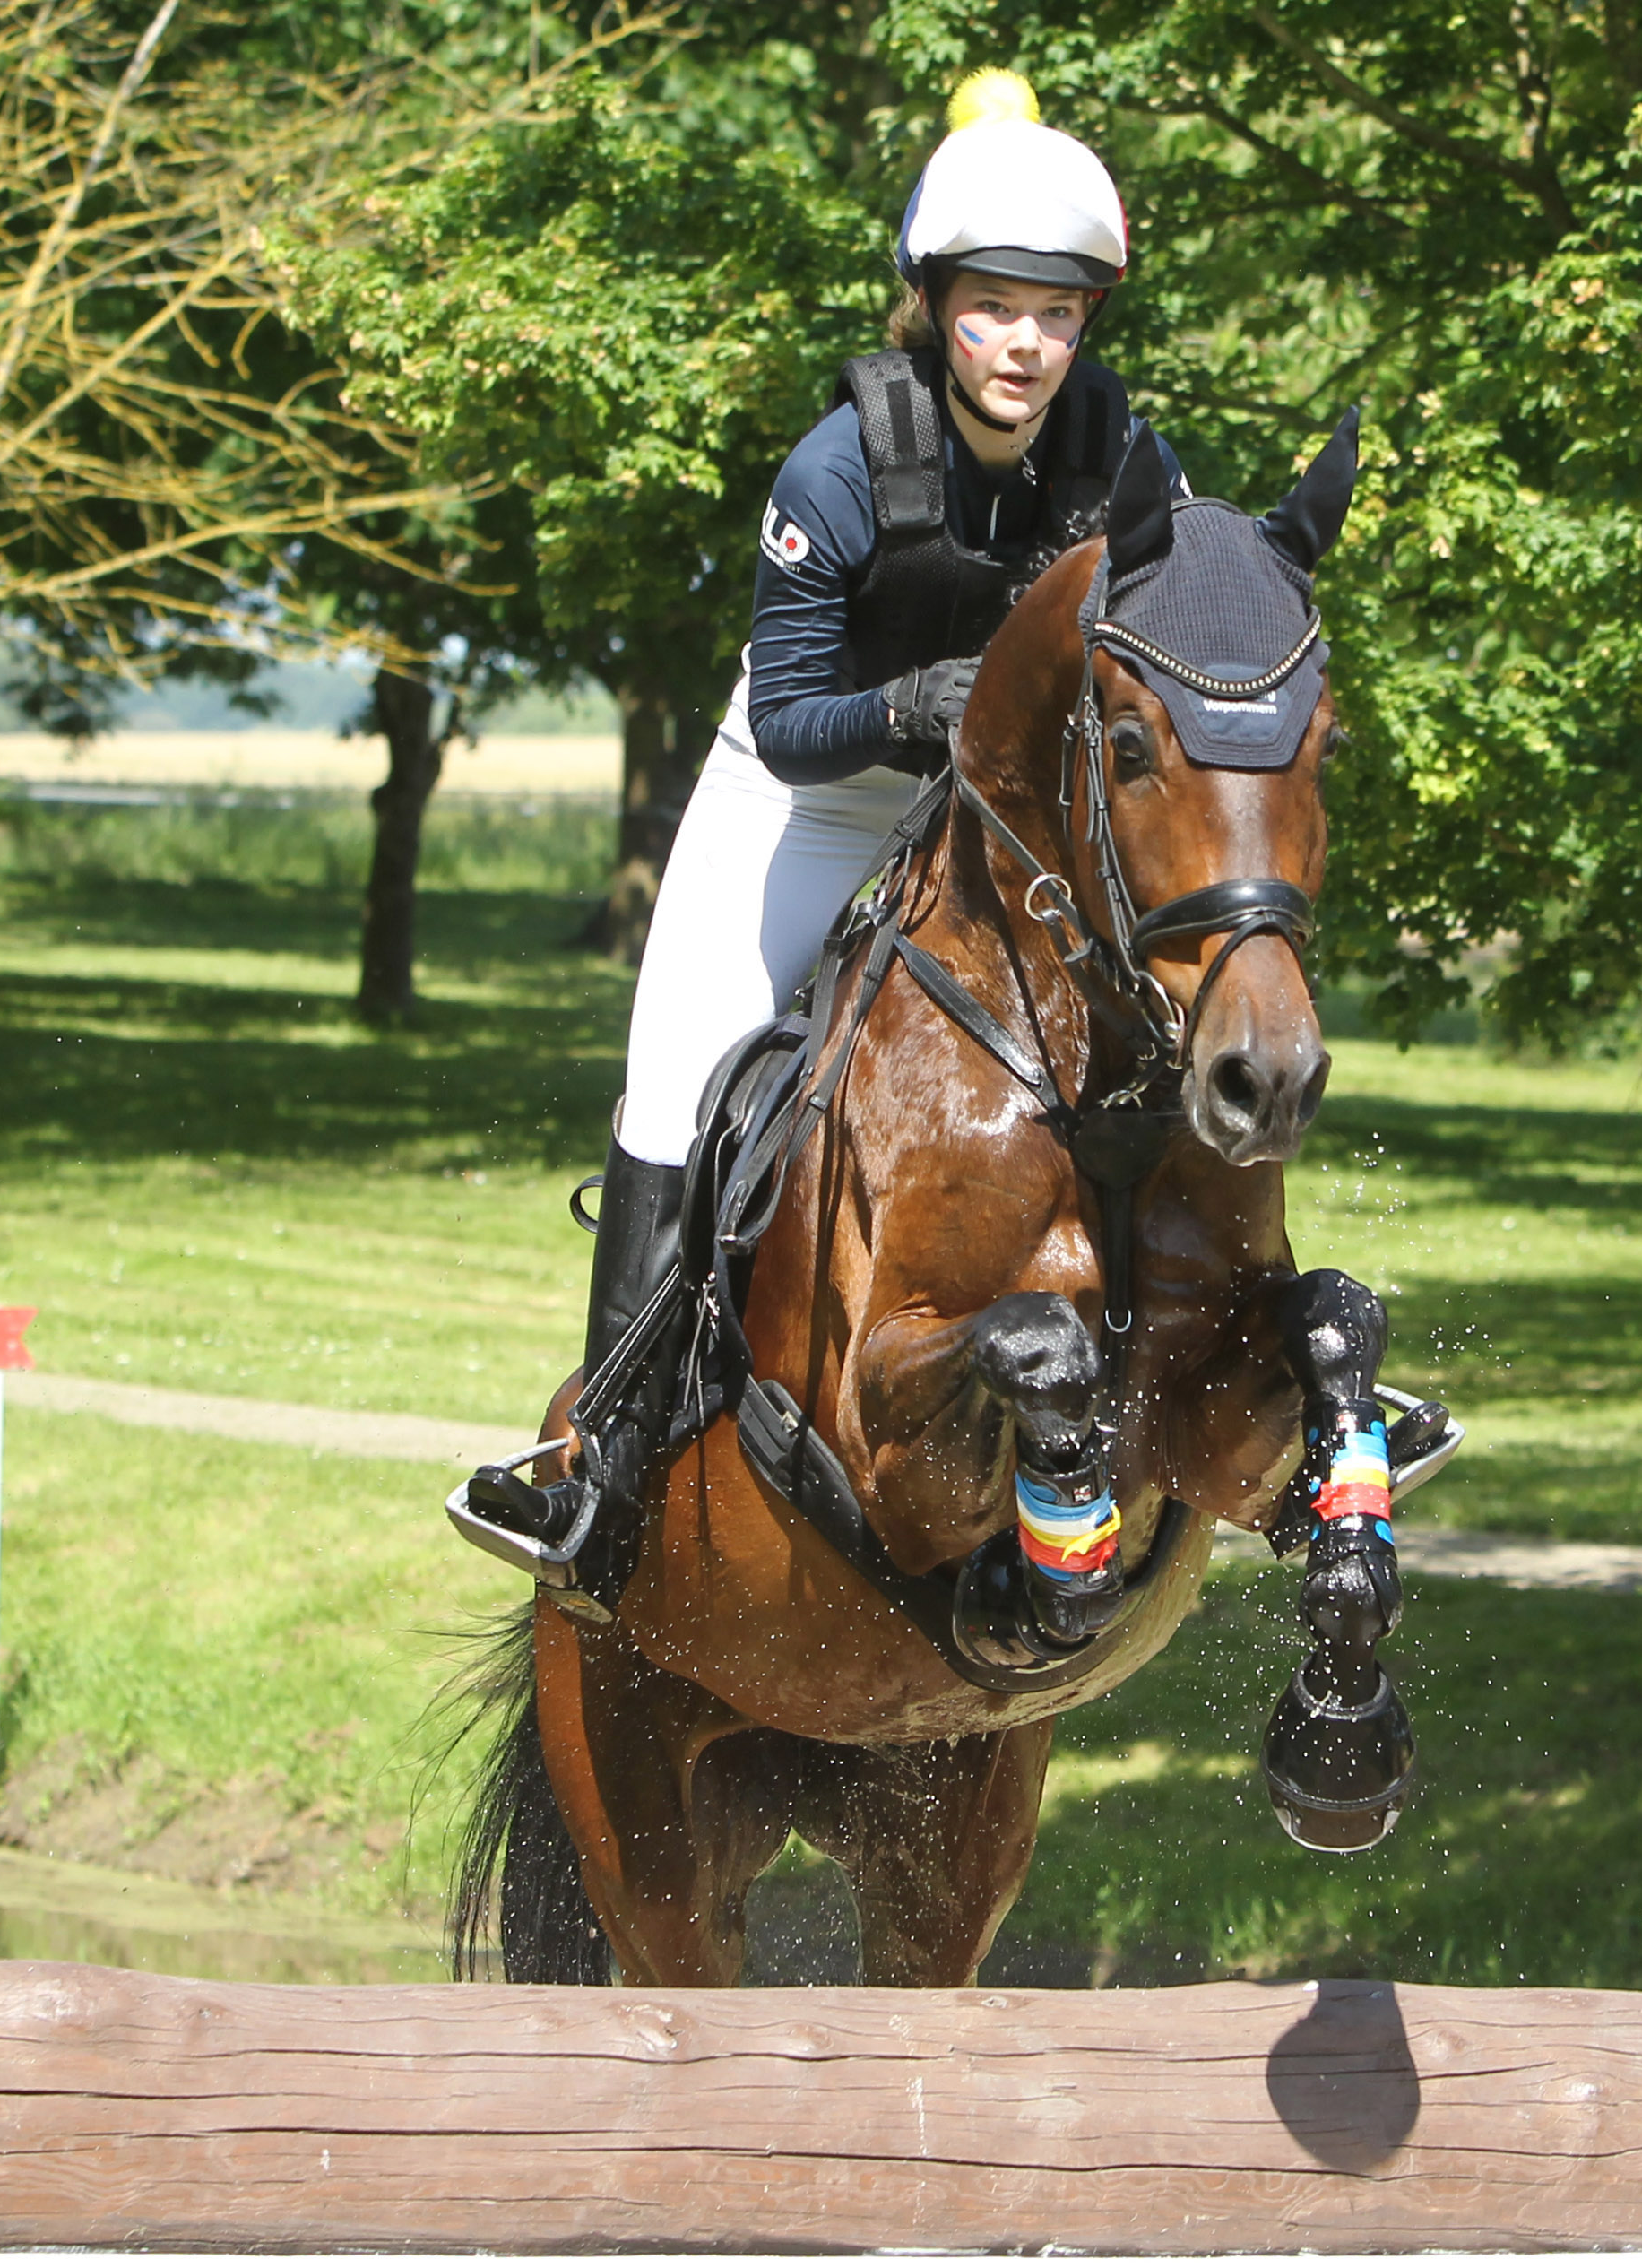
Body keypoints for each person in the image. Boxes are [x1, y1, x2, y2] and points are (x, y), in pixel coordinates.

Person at [527, 70, 1186, 1544]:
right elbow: (793, 720)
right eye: (996, 305)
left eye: (1060, 313)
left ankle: (1241, 1364)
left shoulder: (1118, 455)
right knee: (681, 1085)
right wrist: (909, 709)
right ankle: (608, 1459)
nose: (1029, 342)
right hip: (809, 802)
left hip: (1002, 831)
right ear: (932, 301)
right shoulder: (834, 467)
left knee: (1174, 1038)